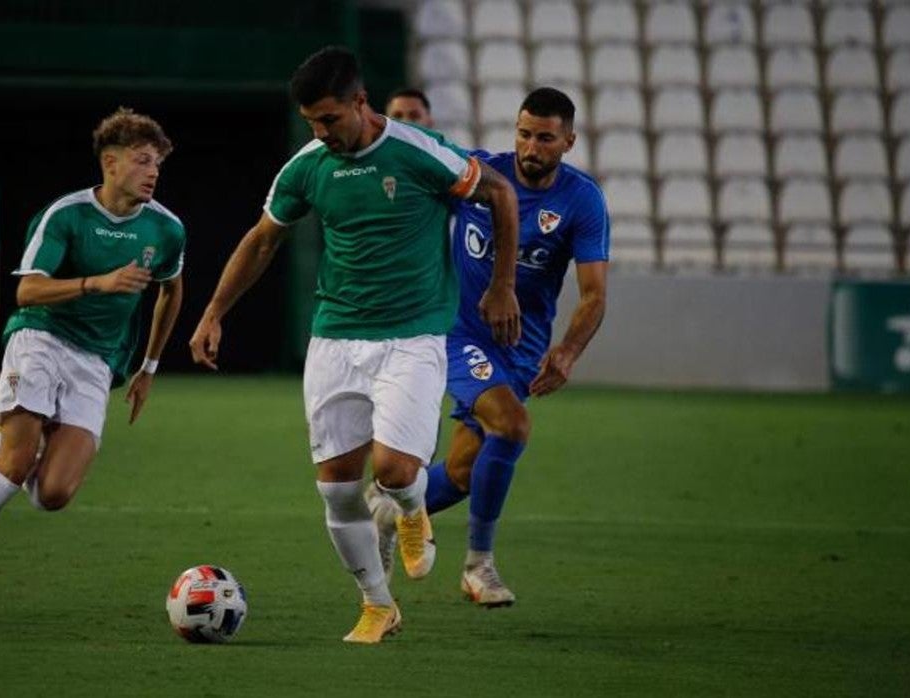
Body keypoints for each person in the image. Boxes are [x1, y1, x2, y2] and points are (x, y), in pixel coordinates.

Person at [188, 46, 521, 643]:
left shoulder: (419, 152)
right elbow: (263, 240)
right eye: (311, 122)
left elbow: (500, 193)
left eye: (329, 119)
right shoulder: (308, 164)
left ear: (360, 103)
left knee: (394, 472)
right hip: (335, 340)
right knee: (337, 490)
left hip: (412, 337)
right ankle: (376, 604)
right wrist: (214, 311)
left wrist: (501, 285)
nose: (320, 132)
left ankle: (412, 509)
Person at [0, 107, 186, 618]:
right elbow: (27, 290)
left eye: (158, 165)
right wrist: (95, 283)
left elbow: (172, 288)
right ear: (110, 162)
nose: (153, 172)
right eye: (143, 161)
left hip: (96, 362)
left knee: (53, 494)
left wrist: (148, 367)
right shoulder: (67, 215)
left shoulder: (166, 229)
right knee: (16, 466)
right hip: (41, 337)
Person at [369, 87, 609, 608]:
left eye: (545, 138)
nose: (531, 146)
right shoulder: (480, 172)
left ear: (568, 141)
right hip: (458, 331)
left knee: (461, 472)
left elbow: (594, 295)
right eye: (524, 134)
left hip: (521, 349)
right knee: (512, 424)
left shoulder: (582, 200)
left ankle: (388, 506)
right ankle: (480, 566)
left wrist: (566, 352)